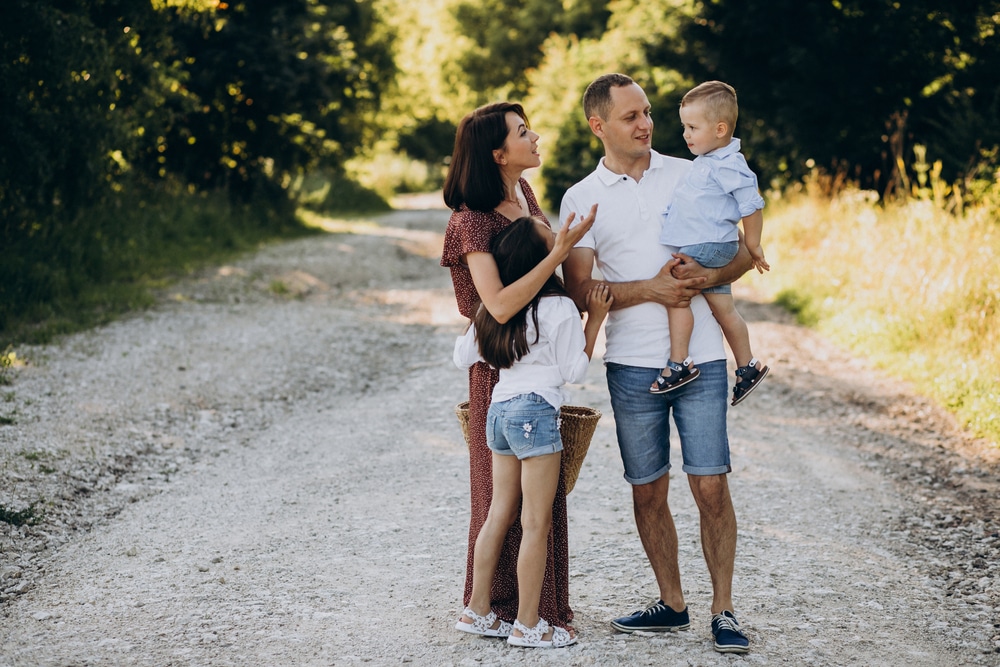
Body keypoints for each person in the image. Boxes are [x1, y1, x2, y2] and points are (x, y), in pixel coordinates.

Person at [560, 73, 753, 654]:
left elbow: (741, 250)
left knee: (711, 486)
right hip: (632, 366)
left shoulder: (696, 169)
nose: (646, 124)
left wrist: (711, 277)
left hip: (700, 360)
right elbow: (579, 291)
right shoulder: (581, 198)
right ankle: (672, 604)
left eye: (647, 112)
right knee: (648, 492)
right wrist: (652, 289)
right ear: (599, 126)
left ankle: (723, 610)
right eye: (630, 117)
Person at [440, 102, 597, 636]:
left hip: (520, 358)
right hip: (501, 364)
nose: (536, 137)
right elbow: (499, 305)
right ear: (498, 153)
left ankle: (522, 607)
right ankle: (508, 612)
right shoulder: (469, 220)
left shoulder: (525, 196)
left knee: (529, 504)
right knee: (502, 501)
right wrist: (559, 258)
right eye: (523, 132)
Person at [453, 217, 612, 648]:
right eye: (551, 239)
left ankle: (478, 609)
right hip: (536, 411)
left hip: (499, 409)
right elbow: (573, 371)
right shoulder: (557, 307)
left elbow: (461, 354)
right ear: (544, 258)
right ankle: (528, 623)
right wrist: (594, 320)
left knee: (499, 513)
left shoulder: (495, 305)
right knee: (536, 521)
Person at [649, 80, 770, 406]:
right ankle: (747, 366)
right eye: (684, 126)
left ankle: (679, 363)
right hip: (711, 244)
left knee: (676, 292)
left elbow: (752, 204)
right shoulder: (709, 159)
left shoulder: (729, 163)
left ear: (719, 129)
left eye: (692, 127)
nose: (686, 134)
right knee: (724, 309)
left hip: (707, 244)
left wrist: (754, 245)